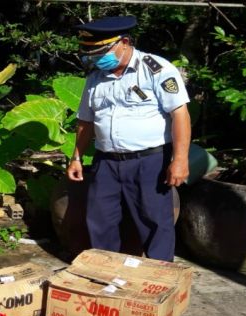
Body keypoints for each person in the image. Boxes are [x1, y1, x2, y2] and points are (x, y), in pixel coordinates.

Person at [68, 15, 191, 262]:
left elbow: (180, 114)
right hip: (106, 163)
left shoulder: (156, 69)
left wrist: (180, 160)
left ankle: (159, 276)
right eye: (91, 53)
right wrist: (76, 157)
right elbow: (86, 122)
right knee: (100, 220)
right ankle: (106, 274)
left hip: (149, 162)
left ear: (123, 42)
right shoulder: (95, 79)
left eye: (101, 51)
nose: (96, 58)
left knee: (155, 222)